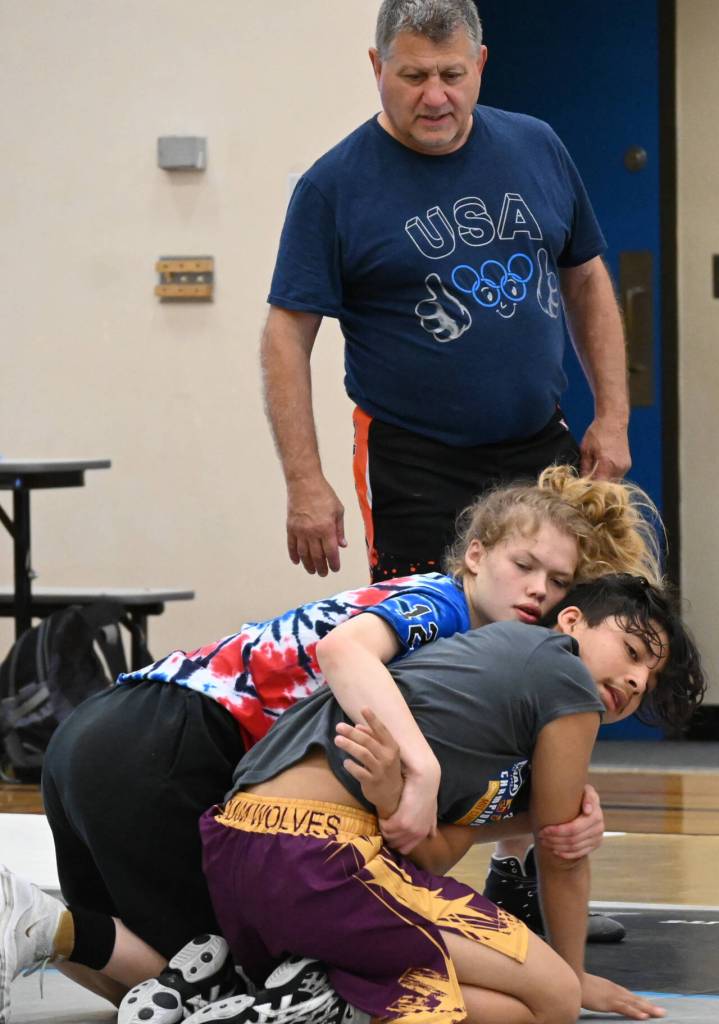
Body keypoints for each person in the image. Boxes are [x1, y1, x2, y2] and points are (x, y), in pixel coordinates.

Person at [0, 470, 658, 1022]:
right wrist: (421, 770)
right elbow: (342, 650)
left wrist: (541, 813)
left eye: (558, 580)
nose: (538, 590)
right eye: (524, 566)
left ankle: (47, 926)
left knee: (160, 973)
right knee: (244, 988)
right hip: (170, 738)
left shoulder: (480, 655)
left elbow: (440, 820)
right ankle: (45, 924)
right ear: (476, 556)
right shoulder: (442, 607)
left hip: (105, 730)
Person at [182, 575, 704, 1024]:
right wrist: (576, 974)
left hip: (242, 856)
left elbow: (428, 852)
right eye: (633, 653)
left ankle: (290, 989)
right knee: (554, 1000)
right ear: (569, 622)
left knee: (507, 998)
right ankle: (328, 1001)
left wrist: (518, 818)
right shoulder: (562, 673)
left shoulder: (486, 683)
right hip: (317, 859)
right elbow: (560, 854)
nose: (636, 680)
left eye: (649, 682)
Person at [261, 0, 631, 587]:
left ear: (480, 65)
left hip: (539, 448)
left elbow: (584, 277)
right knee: (432, 648)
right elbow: (286, 336)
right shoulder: (332, 187)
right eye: (413, 76)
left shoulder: (537, 147)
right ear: (376, 66)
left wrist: (613, 416)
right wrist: (305, 478)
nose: (435, 97)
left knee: (559, 626)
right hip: (413, 463)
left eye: (451, 75)